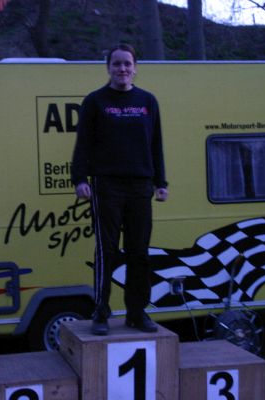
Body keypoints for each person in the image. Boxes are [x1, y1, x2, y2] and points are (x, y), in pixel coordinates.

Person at [71, 44, 168, 336]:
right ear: (108, 68)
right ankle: (101, 312)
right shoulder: (95, 101)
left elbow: (156, 144)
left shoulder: (148, 101)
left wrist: (161, 182)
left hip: (140, 186)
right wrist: (80, 179)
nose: (122, 69)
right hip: (107, 185)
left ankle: (137, 313)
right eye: (116, 64)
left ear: (135, 68)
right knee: (107, 250)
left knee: (139, 252)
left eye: (127, 63)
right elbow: (83, 144)